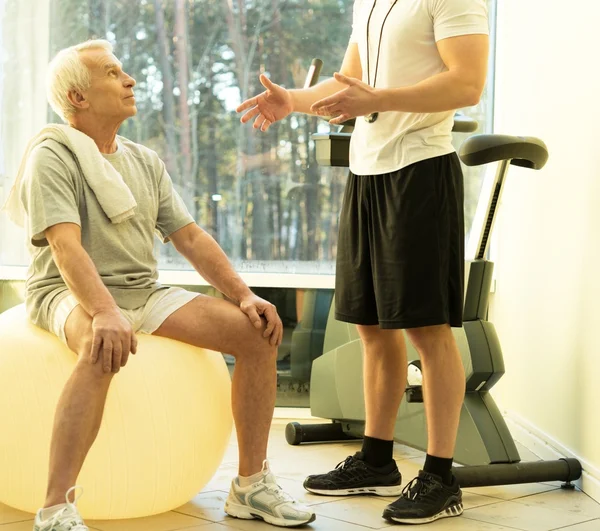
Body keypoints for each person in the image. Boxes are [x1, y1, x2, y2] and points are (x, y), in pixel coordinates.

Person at [6, 39, 315, 531]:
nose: (128, 80)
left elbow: (189, 237)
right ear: (77, 98)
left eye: (124, 70)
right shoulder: (53, 155)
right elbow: (66, 249)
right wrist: (104, 312)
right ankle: (55, 508)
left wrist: (244, 295)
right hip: (64, 291)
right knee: (98, 347)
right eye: (112, 73)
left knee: (256, 334)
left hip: (140, 292)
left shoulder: (142, 160)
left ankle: (251, 486)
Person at [237, 0, 489, 524]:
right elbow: (348, 84)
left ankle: (442, 477)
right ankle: (377, 459)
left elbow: (467, 85)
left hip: (420, 169)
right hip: (368, 171)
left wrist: (381, 99)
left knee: (429, 330)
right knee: (372, 328)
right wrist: (294, 101)